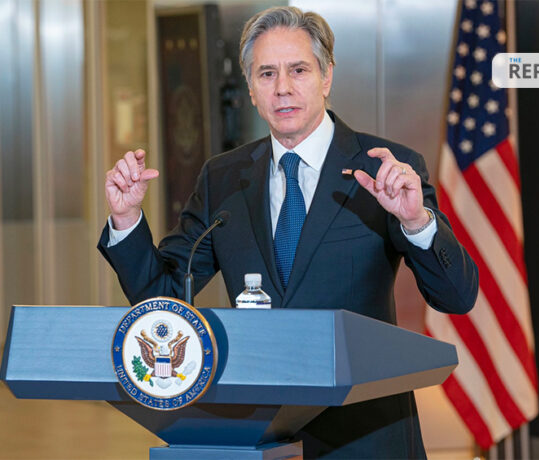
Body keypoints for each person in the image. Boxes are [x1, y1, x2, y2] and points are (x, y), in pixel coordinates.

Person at [99, 6, 478, 459]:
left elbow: (457, 296)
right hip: (257, 436)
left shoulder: (385, 169)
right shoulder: (223, 177)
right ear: (250, 88)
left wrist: (416, 222)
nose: (283, 88)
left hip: (365, 436)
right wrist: (127, 219)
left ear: (326, 76)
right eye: (267, 74)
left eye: (298, 70)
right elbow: (162, 299)